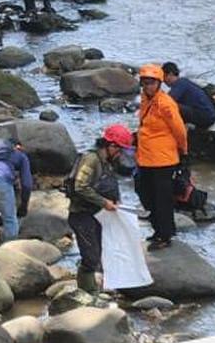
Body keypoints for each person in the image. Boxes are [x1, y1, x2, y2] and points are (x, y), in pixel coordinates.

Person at [66, 125, 133, 293]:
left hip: (96, 215)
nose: (121, 154)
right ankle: (88, 294)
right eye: (120, 150)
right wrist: (104, 202)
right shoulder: (91, 159)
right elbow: (80, 186)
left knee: (98, 253)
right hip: (81, 215)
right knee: (91, 257)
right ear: (111, 146)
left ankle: (95, 287)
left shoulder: (106, 162)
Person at [135, 63, 188, 251]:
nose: (147, 86)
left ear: (158, 83)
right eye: (144, 82)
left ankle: (165, 235)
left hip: (163, 160)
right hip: (146, 158)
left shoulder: (166, 104)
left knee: (162, 199)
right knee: (145, 192)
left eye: (150, 82)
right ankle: (158, 229)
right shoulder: (145, 100)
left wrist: (183, 151)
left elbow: (179, 129)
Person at [162, 62, 215, 129]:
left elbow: (167, 101)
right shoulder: (185, 82)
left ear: (170, 74)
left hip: (206, 117)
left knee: (172, 105)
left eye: (164, 77)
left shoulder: (180, 83)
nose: (163, 81)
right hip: (210, 115)